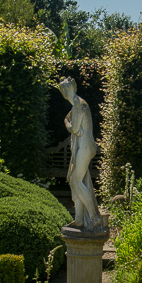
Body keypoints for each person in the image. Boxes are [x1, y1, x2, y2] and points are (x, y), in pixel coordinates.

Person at [57, 77, 101, 230]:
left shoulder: (77, 104)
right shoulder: (79, 103)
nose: (66, 91)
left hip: (85, 147)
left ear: (67, 91)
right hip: (85, 146)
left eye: (66, 89)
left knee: (75, 181)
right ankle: (80, 219)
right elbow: (78, 127)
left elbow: (74, 128)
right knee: (77, 180)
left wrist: (66, 123)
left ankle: (94, 217)